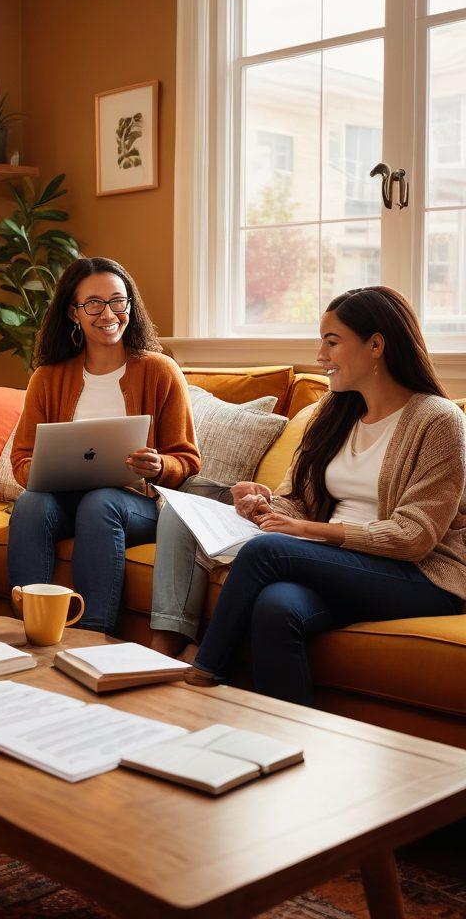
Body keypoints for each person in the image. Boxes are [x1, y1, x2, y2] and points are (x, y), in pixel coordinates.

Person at [182, 287, 465, 705]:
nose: (319, 355)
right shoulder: (334, 413)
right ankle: (290, 741)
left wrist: (307, 531)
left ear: (376, 345)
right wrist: (264, 505)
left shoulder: (439, 421)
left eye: (331, 342)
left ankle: (200, 678)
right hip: (345, 565)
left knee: (266, 553)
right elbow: (296, 499)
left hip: (424, 575)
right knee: (276, 608)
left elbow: (414, 537)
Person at [7, 256, 200, 634]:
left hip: (136, 505)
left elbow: (188, 459)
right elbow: (21, 459)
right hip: (64, 498)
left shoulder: (160, 370)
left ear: (130, 305)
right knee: (31, 504)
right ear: (74, 313)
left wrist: (159, 466)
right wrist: (43, 470)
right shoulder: (47, 378)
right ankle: (29, 630)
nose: (108, 313)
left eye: (117, 301)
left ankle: (93, 637)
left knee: (101, 501)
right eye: (94, 303)